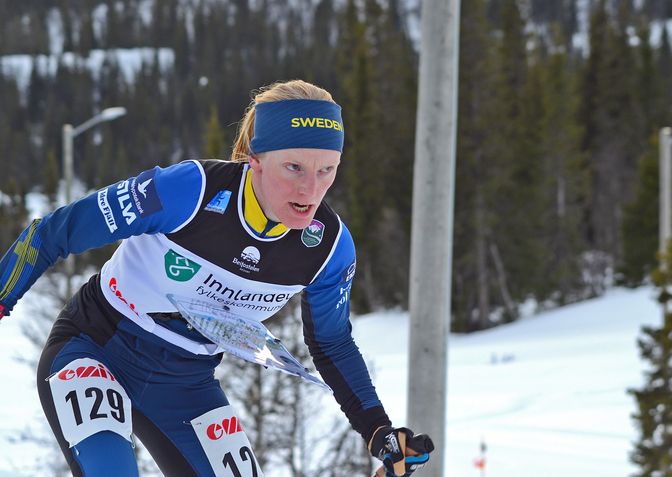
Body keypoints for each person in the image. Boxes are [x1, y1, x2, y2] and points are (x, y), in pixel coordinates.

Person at [0, 79, 433, 477]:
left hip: (187, 385)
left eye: (327, 170)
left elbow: (332, 342)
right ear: (255, 160)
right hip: (97, 346)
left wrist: (378, 430)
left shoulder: (329, 249)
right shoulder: (190, 190)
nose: (311, 191)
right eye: (294, 168)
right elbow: (52, 235)